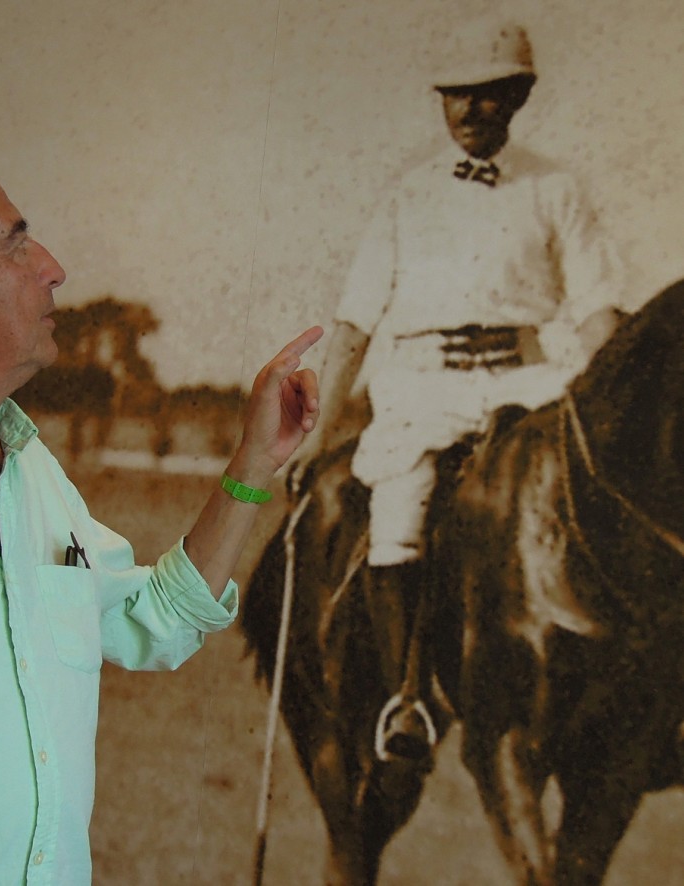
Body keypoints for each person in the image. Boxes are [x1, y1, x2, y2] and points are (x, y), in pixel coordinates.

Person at [0, 134, 321, 885]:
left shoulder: (31, 472)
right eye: (16, 244)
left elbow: (153, 618)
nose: (53, 269)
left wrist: (254, 464)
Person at [295, 22, 626, 762]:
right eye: (458, 94)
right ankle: (407, 698)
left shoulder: (557, 189)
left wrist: (603, 401)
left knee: (597, 501)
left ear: (519, 96)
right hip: (423, 387)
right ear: (442, 101)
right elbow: (353, 325)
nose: (473, 109)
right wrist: (318, 435)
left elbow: (600, 309)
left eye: (490, 93)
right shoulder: (406, 197)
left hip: (533, 380)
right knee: (399, 512)